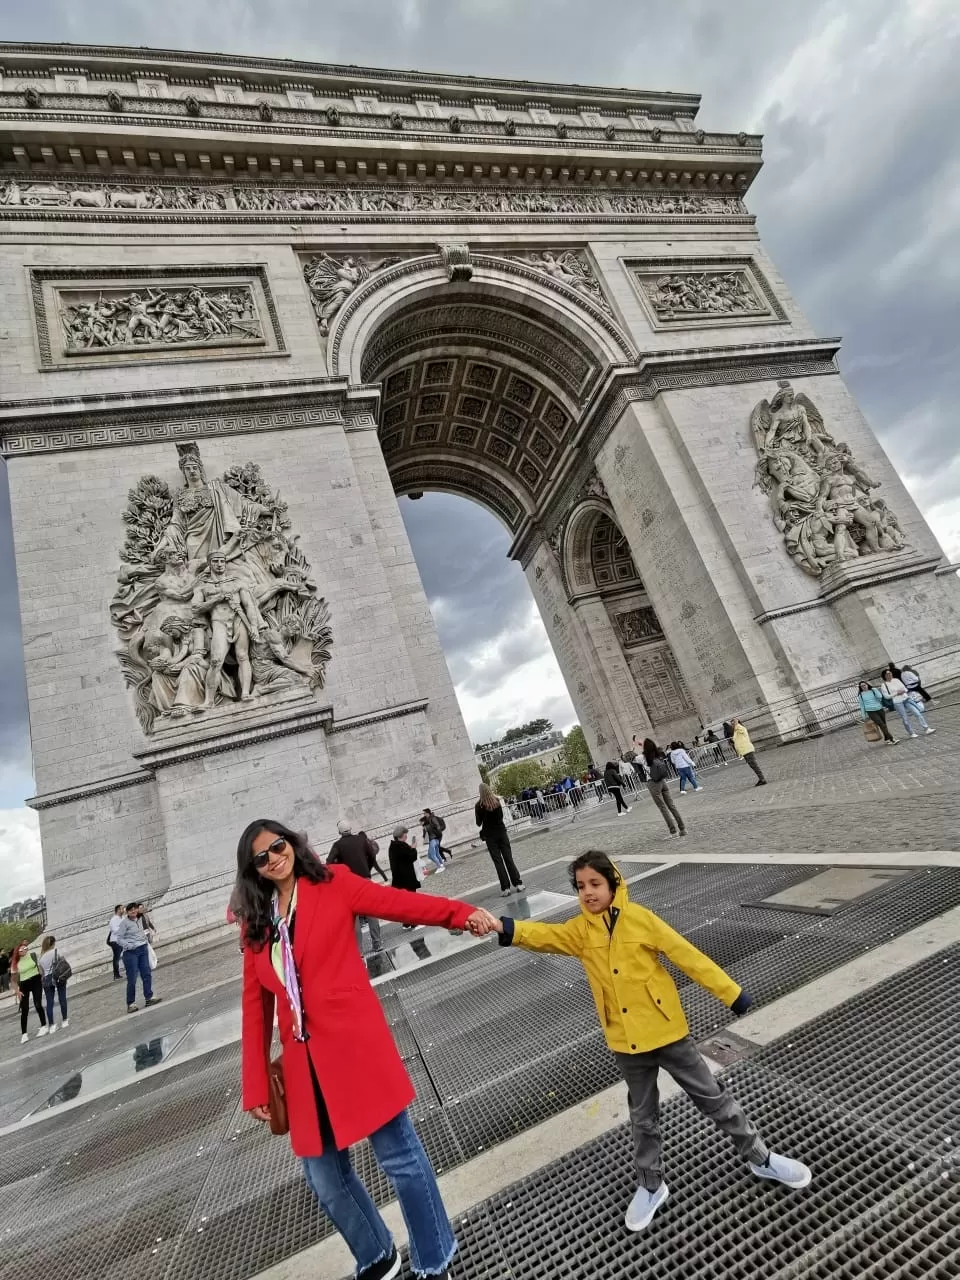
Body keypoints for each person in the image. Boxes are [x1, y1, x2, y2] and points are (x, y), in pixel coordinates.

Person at [480, 851, 810, 1231]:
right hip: (626, 1044)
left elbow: (688, 956)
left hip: (668, 1033)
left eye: (595, 884)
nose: (587, 893)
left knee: (713, 1098)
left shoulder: (641, 920)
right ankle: (651, 1184)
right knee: (643, 1117)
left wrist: (731, 993)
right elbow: (542, 935)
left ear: (613, 883)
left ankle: (760, 1157)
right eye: (580, 886)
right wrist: (501, 926)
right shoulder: (579, 931)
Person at [235, 818, 494, 1280]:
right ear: (253, 869)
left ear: (292, 844)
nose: (274, 857)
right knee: (324, 1180)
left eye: (278, 846)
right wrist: (255, 1082)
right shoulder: (257, 924)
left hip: (356, 1047)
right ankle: (377, 1255)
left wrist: (459, 913)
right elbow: (255, 1007)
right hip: (302, 1062)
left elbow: (398, 902)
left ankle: (434, 1259)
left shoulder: (336, 885)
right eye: (262, 856)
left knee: (399, 1158)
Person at [328, 820, 389, 955]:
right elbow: (372, 854)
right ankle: (377, 943)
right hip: (364, 878)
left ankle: (359, 950)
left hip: (348, 882)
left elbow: (329, 862)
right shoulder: (361, 840)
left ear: (339, 832)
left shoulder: (337, 845)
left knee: (353, 916)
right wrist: (366, 868)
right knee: (371, 912)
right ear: (351, 828)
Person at [476, 783, 526, 897]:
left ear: (480, 792)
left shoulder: (479, 805)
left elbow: (478, 823)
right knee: (508, 858)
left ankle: (505, 888)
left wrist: (483, 815)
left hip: (490, 836)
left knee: (498, 862)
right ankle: (518, 883)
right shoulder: (497, 801)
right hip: (501, 833)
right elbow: (500, 818)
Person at [116, 902, 162, 1013]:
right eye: (131, 910)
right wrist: (129, 946)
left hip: (143, 949)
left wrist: (146, 941)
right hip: (131, 952)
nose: (133, 911)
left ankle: (149, 998)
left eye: (135, 909)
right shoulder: (124, 923)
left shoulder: (139, 919)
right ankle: (131, 1003)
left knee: (146, 973)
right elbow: (119, 939)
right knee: (132, 978)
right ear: (127, 912)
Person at [641, 739, 685, 839]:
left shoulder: (643, 757)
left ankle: (673, 832)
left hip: (653, 783)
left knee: (663, 808)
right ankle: (683, 829)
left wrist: (635, 745)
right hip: (663, 781)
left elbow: (628, 757)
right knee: (672, 806)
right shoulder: (657, 754)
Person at [880, 667, 935, 739]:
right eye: (888, 674)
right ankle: (911, 733)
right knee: (905, 718)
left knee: (917, 713)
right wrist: (896, 693)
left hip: (906, 699)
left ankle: (926, 728)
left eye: (890, 673)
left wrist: (904, 691)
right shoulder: (884, 685)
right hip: (897, 702)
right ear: (884, 676)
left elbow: (905, 688)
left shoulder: (896, 680)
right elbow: (886, 696)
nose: (890, 674)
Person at [11, 939, 47, 1044]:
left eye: (25, 948)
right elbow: (13, 980)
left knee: (38, 1004)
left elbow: (39, 967)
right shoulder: (15, 963)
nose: (24, 950)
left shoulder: (32, 955)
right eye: (21, 949)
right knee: (25, 1009)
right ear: (18, 951)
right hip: (24, 984)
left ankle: (43, 1026)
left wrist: (42, 976)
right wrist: (17, 991)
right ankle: (24, 1034)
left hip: (36, 981)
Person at [38, 935, 69, 1032]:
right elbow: (63, 962)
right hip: (58, 976)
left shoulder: (41, 957)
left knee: (49, 1002)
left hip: (47, 979)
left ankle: (51, 1025)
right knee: (62, 998)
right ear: (53, 944)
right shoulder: (56, 952)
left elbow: (41, 972)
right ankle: (64, 1020)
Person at [730, 717, 767, 785]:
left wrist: (736, 723)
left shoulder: (741, 728)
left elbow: (739, 728)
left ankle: (762, 779)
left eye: (733, 724)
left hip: (747, 750)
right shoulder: (736, 731)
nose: (732, 726)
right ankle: (761, 778)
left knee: (754, 765)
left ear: (737, 723)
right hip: (744, 751)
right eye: (731, 724)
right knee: (752, 765)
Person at [107, 904, 125, 980]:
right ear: (118, 910)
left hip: (122, 940)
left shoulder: (123, 918)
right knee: (116, 958)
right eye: (122, 909)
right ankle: (116, 975)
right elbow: (115, 930)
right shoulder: (114, 919)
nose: (123, 910)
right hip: (115, 941)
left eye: (123, 908)